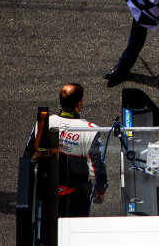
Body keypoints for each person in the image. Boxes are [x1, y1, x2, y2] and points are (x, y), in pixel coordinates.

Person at [24, 83, 107, 217]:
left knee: (46, 230)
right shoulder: (90, 130)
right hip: (77, 195)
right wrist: (101, 192)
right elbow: (97, 167)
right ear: (80, 104)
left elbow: (28, 156)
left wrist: (28, 188)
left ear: (60, 102)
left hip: (47, 189)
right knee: (75, 232)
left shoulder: (44, 123)